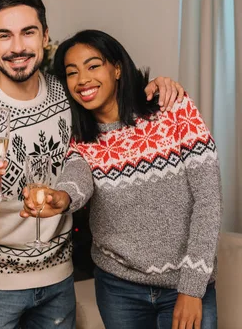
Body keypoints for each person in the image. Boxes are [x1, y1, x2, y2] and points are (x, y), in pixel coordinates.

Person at [0, 0, 184, 329]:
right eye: (4, 35)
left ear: (45, 35)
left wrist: (158, 85)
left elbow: (114, 103)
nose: (17, 47)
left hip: (60, 282)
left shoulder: (67, 91)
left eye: (28, 32)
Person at [21, 29, 221, 329]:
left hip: (184, 283)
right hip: (118, 288)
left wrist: (192, 288)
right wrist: (60, 199)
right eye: (72, 72)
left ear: (116, 67)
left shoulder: (173, 109)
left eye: (93, 65)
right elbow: (77, 179)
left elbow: (208, 201)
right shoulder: (79, 137)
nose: (83, 79)